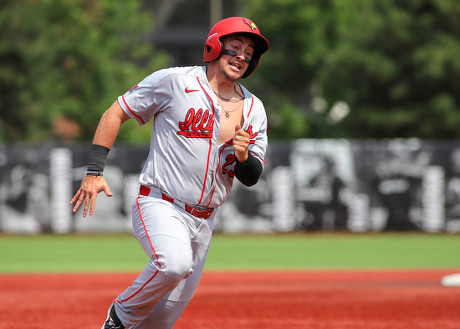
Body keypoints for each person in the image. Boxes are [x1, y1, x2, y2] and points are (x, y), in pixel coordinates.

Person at [70, 17, 269, 329]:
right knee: (173, 264)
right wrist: (94, 170)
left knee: (161, 321)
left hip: (204, 222)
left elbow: (251, 175)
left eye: (248, 52)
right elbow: (116, 111)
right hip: (161, 203)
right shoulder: (175, 82)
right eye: (234, 48)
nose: (241, 56)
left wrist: (243, 156)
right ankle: (119, 316)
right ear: (214, 47)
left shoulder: (254, 108)